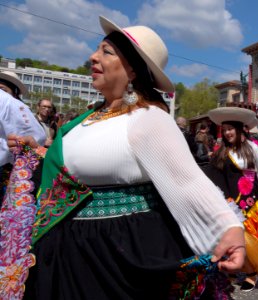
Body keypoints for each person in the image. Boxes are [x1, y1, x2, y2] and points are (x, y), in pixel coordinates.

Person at [2, 16, 245, 299]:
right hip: (74, 249)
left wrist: (228, 229)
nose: (92, 57)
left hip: (118, 252)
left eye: (106, 52)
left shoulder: (147, 117)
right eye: (97, 49)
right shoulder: (87, 119)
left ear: (132, 70)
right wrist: (37, 151)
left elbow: (186, 180)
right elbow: (75, 169)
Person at [203, 106, 258, 292]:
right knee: (230, 238)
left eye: (231, 129)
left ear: (239, 129)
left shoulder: (252, 149)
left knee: (250, 240)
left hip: (251, 203)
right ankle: (234, 268)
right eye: (225, 129)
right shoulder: (220, 152)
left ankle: (252, 273)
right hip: (229, 202)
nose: (227, 133)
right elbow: (212, 176)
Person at [0, 71, 46, 203]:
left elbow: (36, 138)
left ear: (14, 93)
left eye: (3, 90)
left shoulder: (11, 104)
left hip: (9, 170)